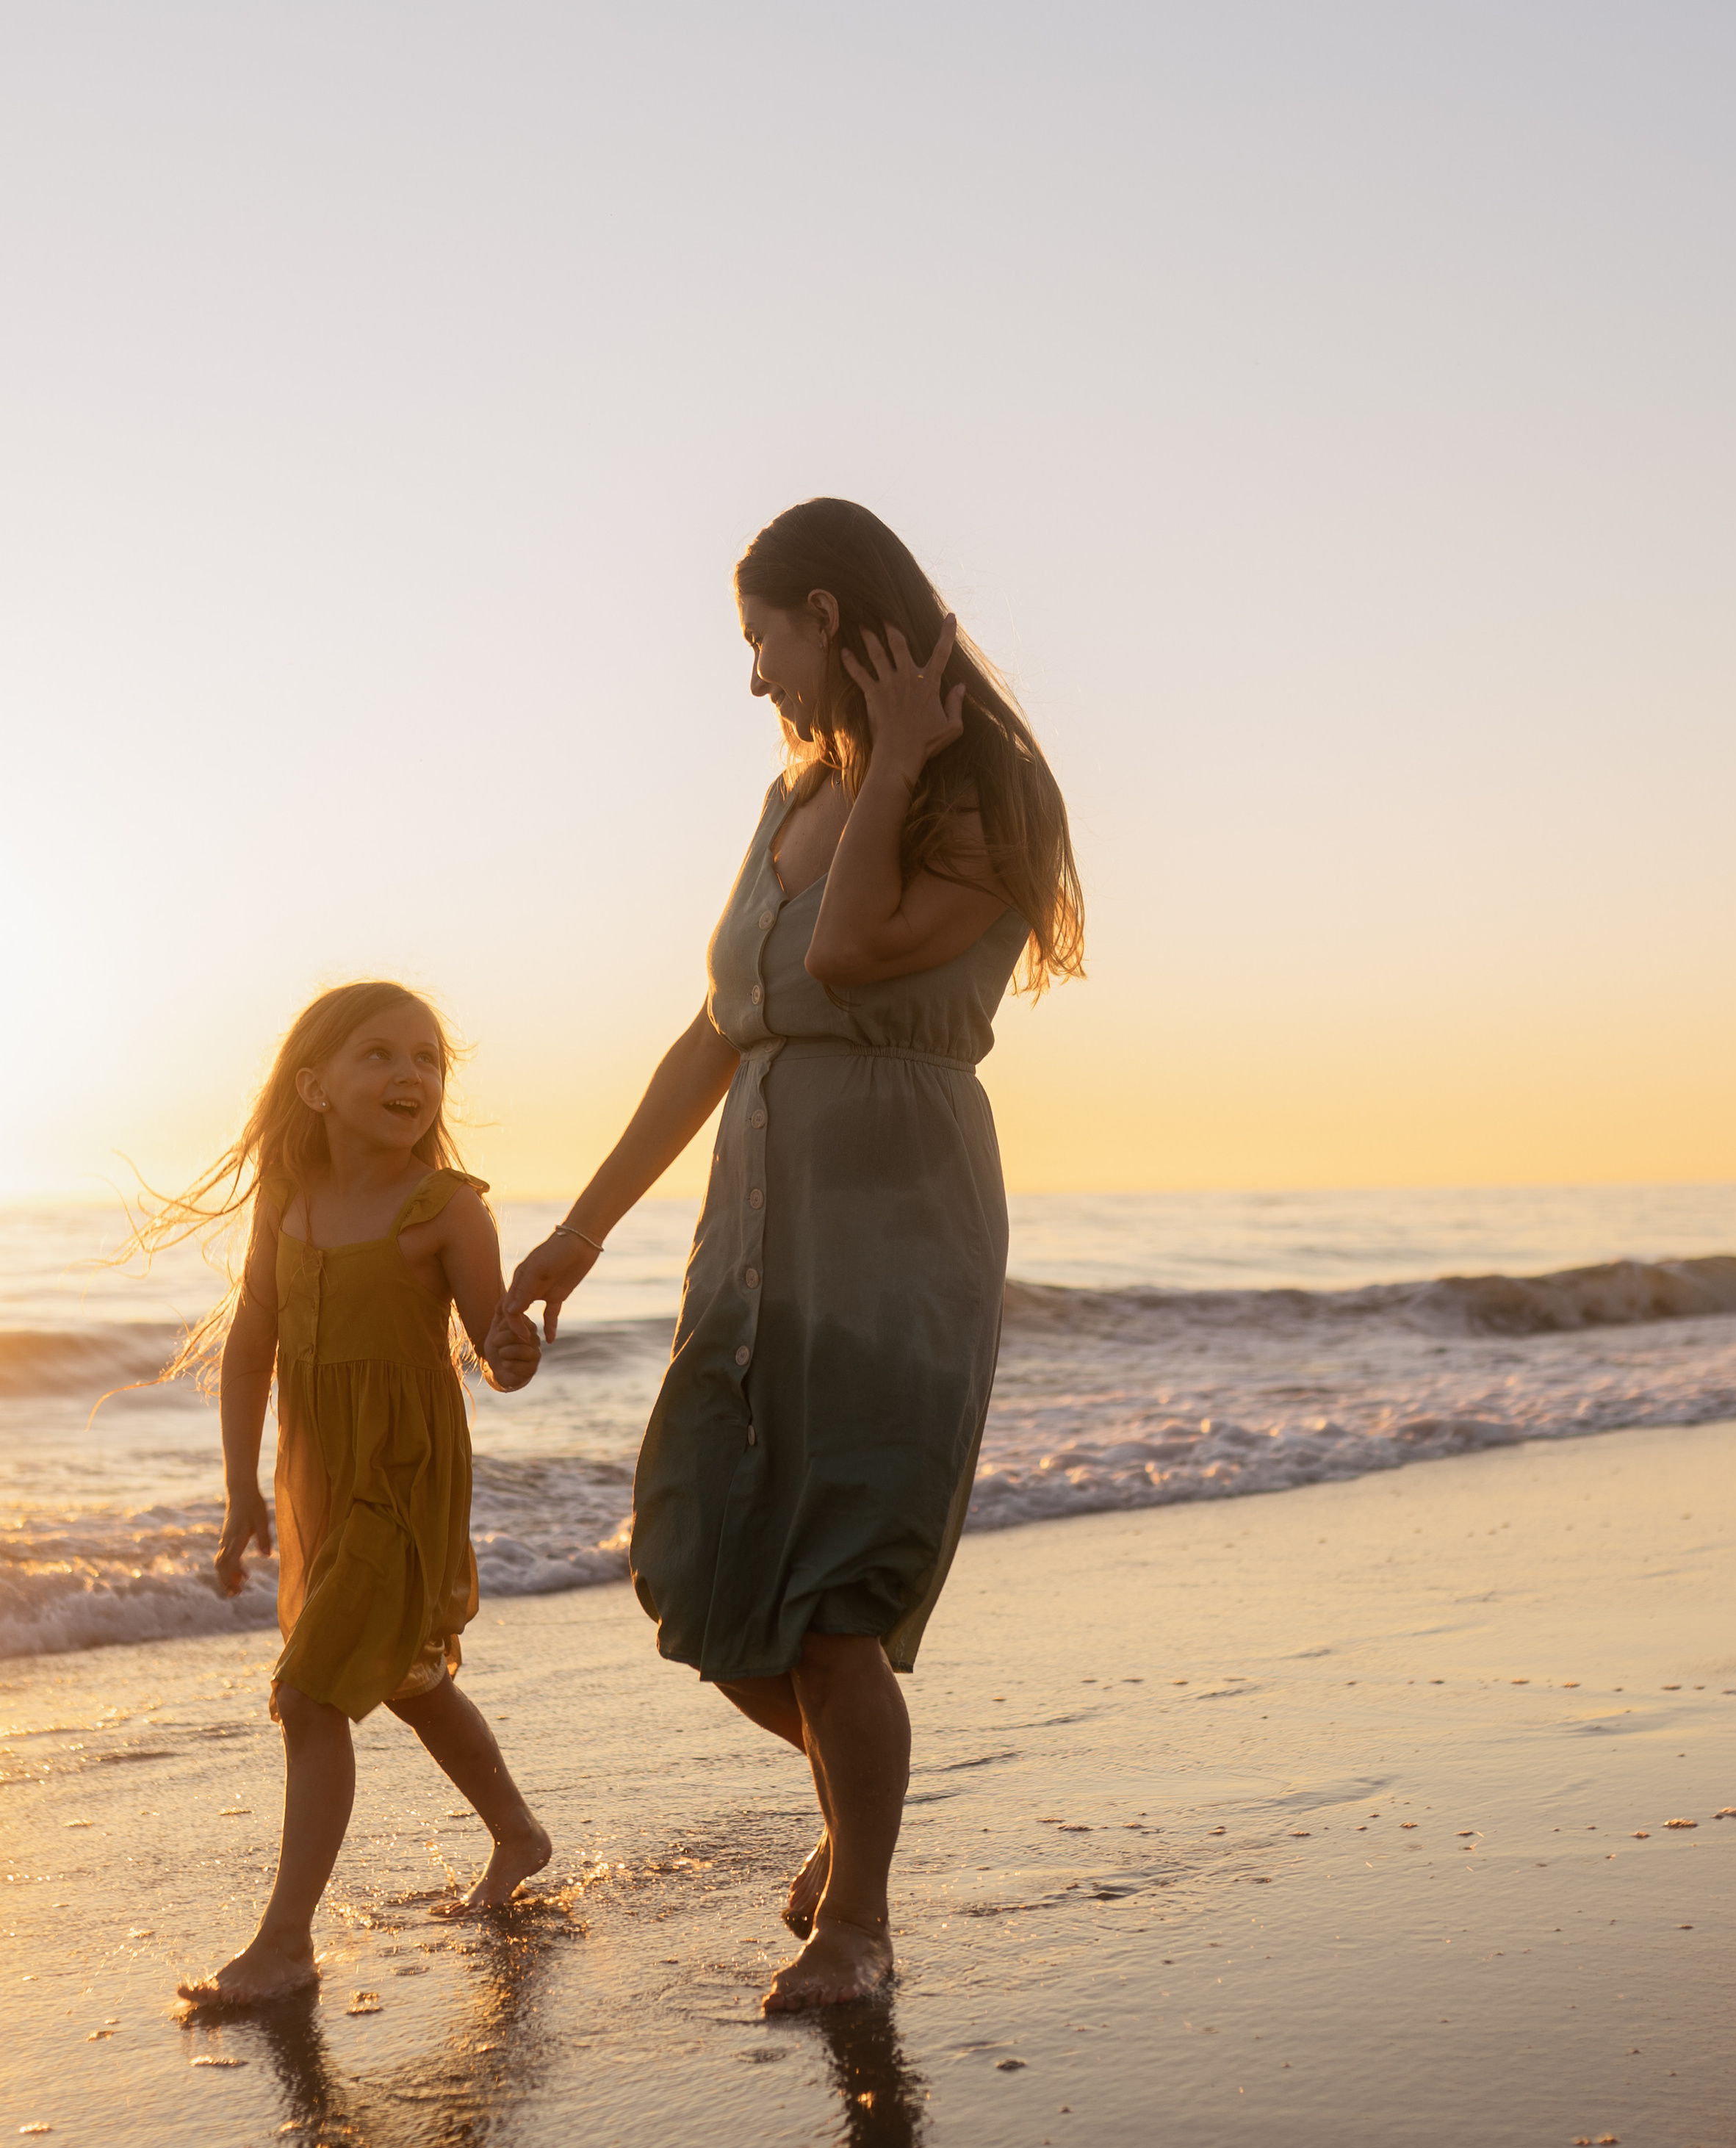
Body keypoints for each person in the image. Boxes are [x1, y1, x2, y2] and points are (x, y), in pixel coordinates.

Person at [503, 498, 1083, 2014]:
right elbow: (719, 1025)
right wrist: (581, 1226)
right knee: (692, 1557)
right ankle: (861, 1803)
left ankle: (862, 1922)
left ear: (826, 615)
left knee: (832, 1601)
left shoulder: (988, 793)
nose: (753, 676)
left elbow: (838, 956)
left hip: (893, 1231)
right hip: (751, 1231)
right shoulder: (788, 796)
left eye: (760, 635)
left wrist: (895, 760)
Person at [141, 981, 550, 2004]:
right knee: (411, 1679)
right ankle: (520, 1834)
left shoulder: (448, 1208)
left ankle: (285, 1944)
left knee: (308, 1692)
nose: (409, 1074)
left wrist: (516, 1347)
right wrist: (242, 1497)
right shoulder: (287, 1203)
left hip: (405, 1475)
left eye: (426, 1060)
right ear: (314, 1086)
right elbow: (248, 1355)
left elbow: (496, 1355)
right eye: (380, 1055)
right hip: (318, 1476)